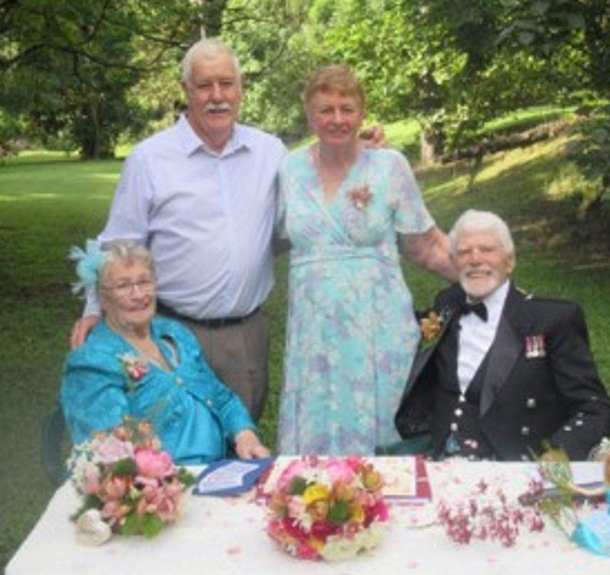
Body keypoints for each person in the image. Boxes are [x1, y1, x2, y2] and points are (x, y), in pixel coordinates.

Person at [68, 38, 287, 422]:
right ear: (186, 90)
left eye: (226, 83)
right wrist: (93, 309)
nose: (217, 96)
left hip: (245, 335)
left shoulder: (271, 153)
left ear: (241, 88)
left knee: (242, 446)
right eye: (204, 86)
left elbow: (304, 216)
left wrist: (361, 155)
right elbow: (120, 243)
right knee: (176, 444)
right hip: (169, 332)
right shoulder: (150, 159)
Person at [277, 65, 457, 456]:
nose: (337, 119)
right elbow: (266, 238)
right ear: (309, 113)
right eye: (326, 109)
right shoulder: (289, 170)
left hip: (379, 327)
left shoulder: (388, 166)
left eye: (348, 108)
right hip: (315, 335)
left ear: (362, 112)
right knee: (317, 449)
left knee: (385, 440)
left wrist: (484, 279)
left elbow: (425, 244)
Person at [394, 209, 610, 461]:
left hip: (513, 466)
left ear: (510, 261)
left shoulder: (552, 320)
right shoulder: (446, 306)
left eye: (487, 249)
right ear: (455, 263)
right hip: (437, 457)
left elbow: (595, 408)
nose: (475, 259)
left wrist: (556, 456)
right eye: (464, 251)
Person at [61, 239, 270, 465]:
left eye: (145, 282)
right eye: (123, 286)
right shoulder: (92, 361)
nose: (138, 294)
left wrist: (244, 434)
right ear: (102, 297)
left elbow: (221, 396)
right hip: (159, 487)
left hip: (217, 469)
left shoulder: (173, 334)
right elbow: (109, 452)